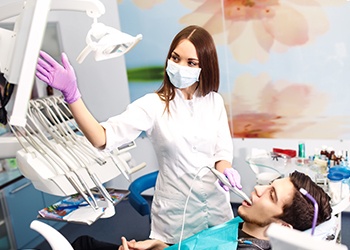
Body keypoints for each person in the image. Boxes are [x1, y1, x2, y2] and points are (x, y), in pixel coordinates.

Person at [36, 25, 242, 244]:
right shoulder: (153, 105)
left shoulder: (214, 102)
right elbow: (102, 138)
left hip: (217, 211)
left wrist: (226, 170)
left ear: (205, 66)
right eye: (175, 58)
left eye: (191, 62)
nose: (181, 67)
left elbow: (221, 152)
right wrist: (72, 95)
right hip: (176, 219)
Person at [114, 171, 332, 250]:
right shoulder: (243, 226)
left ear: (283, 226)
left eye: (271, 194)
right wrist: (160, 247)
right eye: (269, 183)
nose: (257, 188)